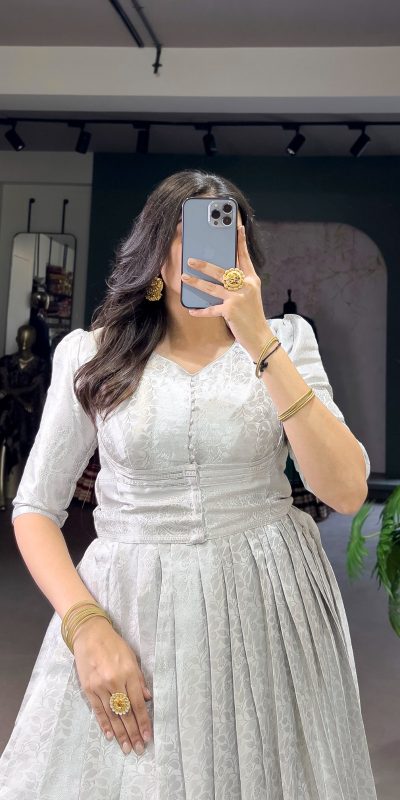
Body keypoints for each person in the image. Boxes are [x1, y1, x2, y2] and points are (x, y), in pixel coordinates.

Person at [0, 169, 378, 799]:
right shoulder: (92, 355)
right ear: (155, 253)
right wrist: (85, 625)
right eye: (188, 232)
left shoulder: (286, 342)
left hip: (270, 607)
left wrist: (259, 341)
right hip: (130, 607)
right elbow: (36, 506)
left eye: (226, 231)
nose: (209, 248)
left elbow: (345, 490)